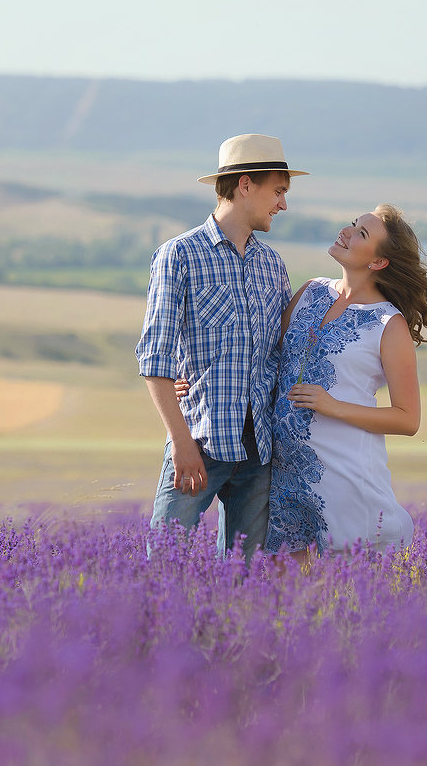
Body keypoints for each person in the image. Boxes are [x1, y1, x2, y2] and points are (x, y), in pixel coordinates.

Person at [179, 205, 427, 563]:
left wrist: (332, 405)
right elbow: (260, 359)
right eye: (354, 224)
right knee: (282, 596)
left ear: (378, 262)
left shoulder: (388, 324)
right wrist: (197, 379)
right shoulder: (310, 292)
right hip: (282, 473)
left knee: (350, 592)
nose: (346, 231)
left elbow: (407, 418)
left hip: (343, 474)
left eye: (361, 234)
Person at [135, 133, 308, 560]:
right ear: (245, 184)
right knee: (164, 564)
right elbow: (153, 356)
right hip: (199, 442)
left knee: (245, 581)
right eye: (278, 191)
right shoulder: (179, 255)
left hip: (260, 452)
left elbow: (279, 354)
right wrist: (180, 442)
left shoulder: (273, 264)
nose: (283, 205)